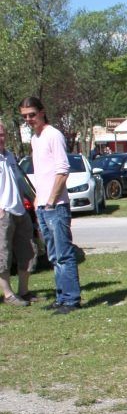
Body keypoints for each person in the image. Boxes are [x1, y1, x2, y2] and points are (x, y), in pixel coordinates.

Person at [20, 96, 81, 314]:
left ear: (42, 112)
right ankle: (61, 297)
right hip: (43, 206)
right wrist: (39, 200)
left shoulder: (53, 135)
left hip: (56, 206)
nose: (29, 119)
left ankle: (71, 299)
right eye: (25, 116)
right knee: (54, 256)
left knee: (64, 254)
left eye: (32, 115)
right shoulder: (35, 139)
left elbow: (62, 170)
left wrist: (52, 200)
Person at [0, 123, 35, 307]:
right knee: (3, 255)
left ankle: (24, 291)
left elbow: (19, 181)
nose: (1, 138)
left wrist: (28, 200)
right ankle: (8, 294)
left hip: (20, 210)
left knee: (28, 251)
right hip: (3, 213)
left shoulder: (10, 156)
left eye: (2, 134)